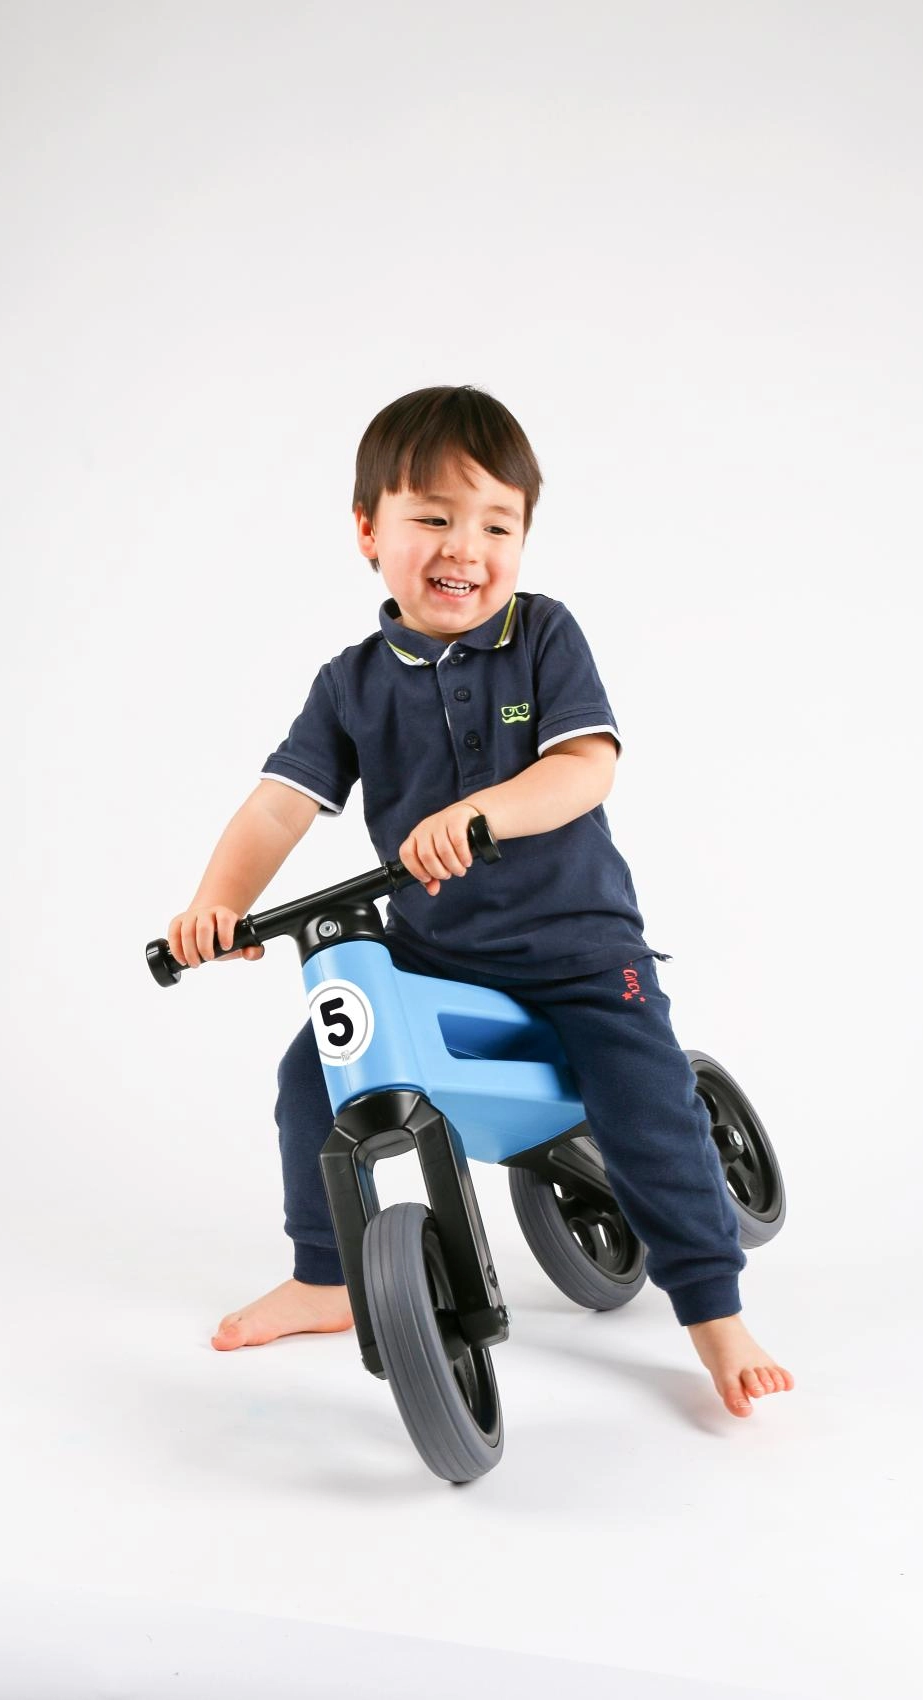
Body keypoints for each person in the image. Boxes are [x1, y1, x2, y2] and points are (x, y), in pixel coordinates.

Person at [167, 385, 793, 1419]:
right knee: (311, 1073)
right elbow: (280, 805)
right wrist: (216, 903)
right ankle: (325, 1275)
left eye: (496, 525)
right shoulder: (349, 684)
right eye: (433, 517)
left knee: (641, 1094)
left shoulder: (542, 635)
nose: (465, 547)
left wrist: (479, 812)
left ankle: (712, 1308)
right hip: (433, 953)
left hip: (577, 946)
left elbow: (585, 767)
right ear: (368, 530)